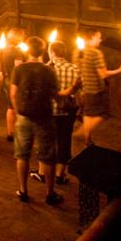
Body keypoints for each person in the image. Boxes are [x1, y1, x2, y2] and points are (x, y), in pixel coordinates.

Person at [10, 37, 64, 205]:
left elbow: (13, 93)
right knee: (48, 156)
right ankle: (49, 193)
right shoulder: (49, 71)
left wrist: (19, 112)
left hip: (24, 116)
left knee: (22, 155)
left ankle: (23, 191)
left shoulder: (19, 70)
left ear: (27, 50)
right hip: (44, 116)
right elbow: (56, 95)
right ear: (43, 50)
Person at [75, 28, 121, 147]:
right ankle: (81, 133)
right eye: (98, 37)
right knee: (104, 114)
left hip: (86, 89)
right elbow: (103, 74)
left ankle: (87, 139)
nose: (100, 39)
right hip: (95, 90)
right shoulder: (96, 53)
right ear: (92, 37)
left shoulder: (83, 52)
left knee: (88, 114)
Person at [42, 40, 81, 185]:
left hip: (49, 111)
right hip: (67, 112)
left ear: (52, 52)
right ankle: (60, 174)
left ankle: (45, 173)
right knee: (65, 141)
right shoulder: (75, 68)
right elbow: (80, 89)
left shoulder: (45, 69)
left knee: (48, 143)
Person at [2, 27, 27, 142]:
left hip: (7, 79)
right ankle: (20, 132)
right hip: (15, 82)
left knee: (10, 107)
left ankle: (10, 132)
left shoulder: (5, 50)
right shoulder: (17, 52)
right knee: (18, 107)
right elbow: (18, 68)